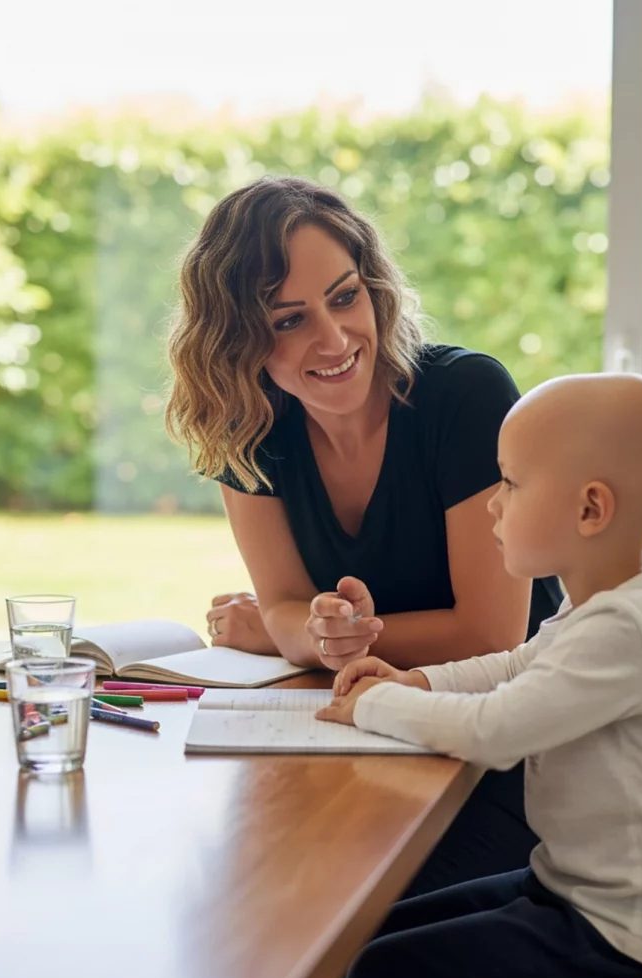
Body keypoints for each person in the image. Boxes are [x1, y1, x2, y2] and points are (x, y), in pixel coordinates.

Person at [165, 175, 562, 894]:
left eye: (344, 297)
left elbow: (491, 634)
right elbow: (287, 604)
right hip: (370, 735)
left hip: (513, 753)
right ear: (238, 340)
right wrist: (305, 632)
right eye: (288, 320)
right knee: (231, 877)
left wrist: (298, 633)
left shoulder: (465, 396)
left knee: (336, 900)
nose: (335, 337)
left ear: (372, 288)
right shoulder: (247, 430)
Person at [315, 373, 642, 978]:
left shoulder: (628, 629)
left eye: (510, 484)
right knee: (357, 936)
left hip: (639, 938)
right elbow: (521, 663)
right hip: (581, 893)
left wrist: (372, 704)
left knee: (379, 972)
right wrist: (416, 681)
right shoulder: (605, 607)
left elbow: (495, 730)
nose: (492, 503)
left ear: (589, 510)